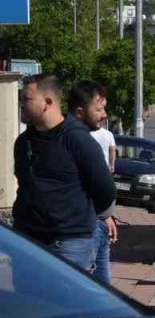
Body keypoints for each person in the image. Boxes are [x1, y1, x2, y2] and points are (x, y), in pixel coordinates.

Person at [13, 74, 116, 271]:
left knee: (65, 301)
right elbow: (24, 183)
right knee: (28, 301)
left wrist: (77, 216)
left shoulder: (77, 139)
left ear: (47, 103)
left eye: (26, 99)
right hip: (27, 240)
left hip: (68, 244)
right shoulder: (23, 142)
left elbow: (105, 189)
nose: (21, 105)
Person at [68, 80, 119, 283]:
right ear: (80, 112)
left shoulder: (93, 136)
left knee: (103, 292)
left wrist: (107, 216)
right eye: (99, 109)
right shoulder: (73, 141)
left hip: (98, 222)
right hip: (81, 230)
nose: (104, 114)